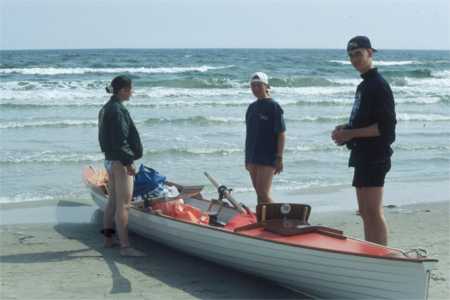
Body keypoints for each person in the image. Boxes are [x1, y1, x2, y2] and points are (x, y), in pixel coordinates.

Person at [332, 36, 397, 246]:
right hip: (362, 155)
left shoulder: (378, 85)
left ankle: (380, 256)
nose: (354, 59)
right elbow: (366, 121)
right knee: (364, 212)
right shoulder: (364, 85)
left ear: (370, 53)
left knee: (372, 212)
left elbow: (385, 128)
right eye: (351, 56)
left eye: (358, 54)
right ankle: (373, 252)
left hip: (376, 156)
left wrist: (350, 134)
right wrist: (346, 130)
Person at [98, 75, 145, 256]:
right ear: (123, 90)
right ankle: (125, 247)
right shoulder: (117, 110)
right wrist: (128, 162)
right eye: (131, 89)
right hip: (119, 161)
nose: (132, 93)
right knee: (124, 205)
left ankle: (109, 239)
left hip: (110, 159)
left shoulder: (106, 108)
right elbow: (120, 140)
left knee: (113, 201)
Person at [245, 72, 286, 205]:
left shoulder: (274, 106)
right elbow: (249, 134)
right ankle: (263, 221)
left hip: (267, 157)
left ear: (267, 86)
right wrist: (247, 158)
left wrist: (279, 157)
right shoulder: (251, 108)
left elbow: (281, 133)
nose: (255, 88)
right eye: (253, 86)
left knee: (263, 193)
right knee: (259, 194)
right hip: (252, 156)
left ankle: (284, 217)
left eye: (259, 85)